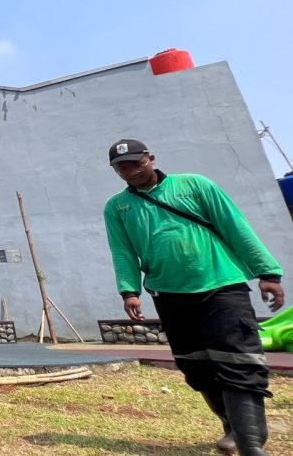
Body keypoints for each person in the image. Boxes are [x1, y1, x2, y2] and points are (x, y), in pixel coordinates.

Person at [104, 139, 285, 456]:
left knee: (239, 362)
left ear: (151, 158)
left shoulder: (194, 185)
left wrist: (267, 273)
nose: (130, 170)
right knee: (196, 366)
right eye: (121, 167)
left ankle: (251, 443)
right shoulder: (117, 207)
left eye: (136, 162)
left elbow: (234, 225)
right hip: (169, 293)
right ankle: (232, 427)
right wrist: (129, 291)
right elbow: (122, 251)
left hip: (222, 286)